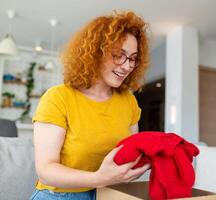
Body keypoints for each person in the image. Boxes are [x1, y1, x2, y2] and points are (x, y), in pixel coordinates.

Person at [30, 10, 151, 200]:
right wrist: (98, 178)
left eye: (132, 58)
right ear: (95, 53)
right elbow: (46, 170)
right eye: (119, 55)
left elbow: (128, 156)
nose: (127, 66)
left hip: (110, 194)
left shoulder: (128, 101)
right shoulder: (58, 98)